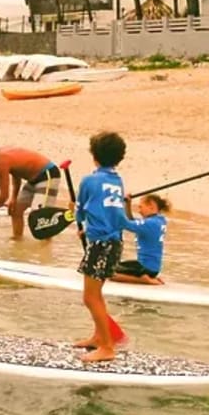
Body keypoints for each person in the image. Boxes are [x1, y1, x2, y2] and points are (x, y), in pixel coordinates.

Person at [74, 132, 128, 363]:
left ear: (93, 155)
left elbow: (80, 210)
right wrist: (89, 229)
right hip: (112, 242)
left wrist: (82, 222)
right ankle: (99, 337)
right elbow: (108, 210)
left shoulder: (89, 180)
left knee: (90, 297)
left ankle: (107, 347)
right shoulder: (117, 180)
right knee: (96, 295)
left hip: (101, 244)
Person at [0, 138, 60, 238]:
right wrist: (14, 198)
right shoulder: (1, 155)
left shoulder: (1, 162)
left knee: (39, 217)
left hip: (48, 175)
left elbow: (3, 196)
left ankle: (46, 246)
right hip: (33, 180)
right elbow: (16, 174)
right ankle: (17, 240)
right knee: (15, 210)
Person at [113, 195, 170, 285]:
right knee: (113, 266)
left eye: (141, 207)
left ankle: (144, 280)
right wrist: (127, 204)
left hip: (145, 267)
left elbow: (125, 224)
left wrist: (114, 206)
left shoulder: (149, 223)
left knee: (110, 274)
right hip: (152, 267)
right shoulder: (159, 221)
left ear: (151, 206)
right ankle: (149, 276)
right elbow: (130, 221)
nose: (139, 211)